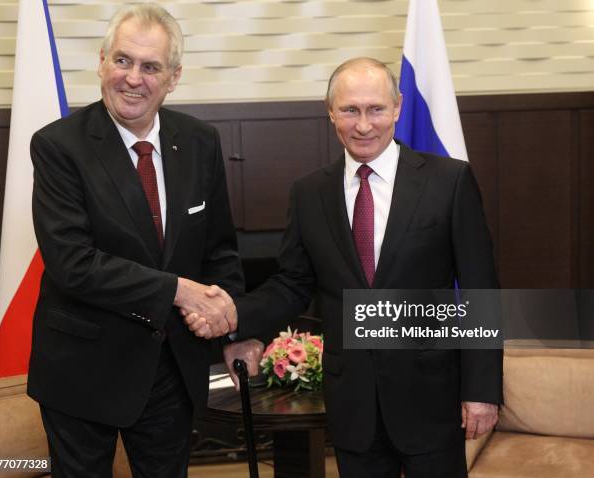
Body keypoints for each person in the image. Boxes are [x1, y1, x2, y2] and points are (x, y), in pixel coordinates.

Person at [192, 57, 503, 477]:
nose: (363, 125)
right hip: (353, 405)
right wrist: (232, 316)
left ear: (397, 107)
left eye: (375, 109)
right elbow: (291, 284)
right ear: (331, 112)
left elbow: (481, 289)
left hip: (430, 398)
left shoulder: (449, 182)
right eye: (350, 110)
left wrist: (482, 391)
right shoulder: (309, 193)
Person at [27, 4, 260, 476]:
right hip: (82, 370)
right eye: (122, 60)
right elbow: (74, 264)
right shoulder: (58, 146)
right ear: (101, 61)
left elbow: (219, 249)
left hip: (171, 367)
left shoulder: (199, 141)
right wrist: (179, 289)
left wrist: (233, 328)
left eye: (150, 67)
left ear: (173, 78)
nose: (133, 78)